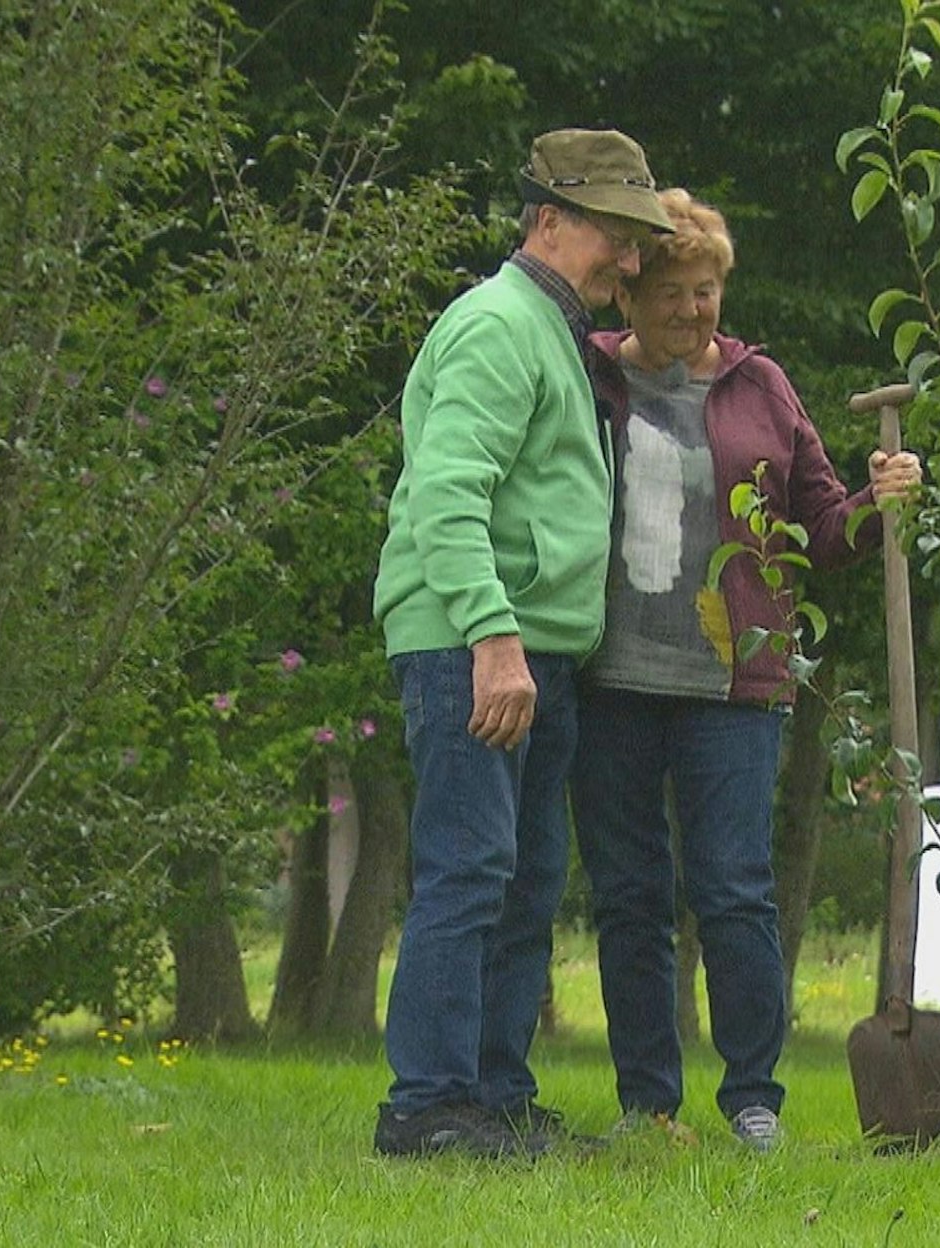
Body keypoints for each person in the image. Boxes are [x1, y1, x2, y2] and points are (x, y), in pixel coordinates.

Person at [573, 188, 922, 1151]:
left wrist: (877, 501)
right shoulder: (584, 375)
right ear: (628, 296)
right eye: (674, 292)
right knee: (630, 894)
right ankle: (647, 1104)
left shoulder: (759, 386)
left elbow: (819, 524)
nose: (694, 311)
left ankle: (752, 1100)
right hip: (606, 679)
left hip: (734, 684)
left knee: (732, 887)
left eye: (709, 291)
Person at [370, 129, 674, 1158]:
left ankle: (493, 1101)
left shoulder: (552, 333)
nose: (631, 264)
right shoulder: (499, 325)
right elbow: (448, 495)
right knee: (468, 872)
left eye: (638, 244)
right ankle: (425, 1108)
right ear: (549, 217)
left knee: (522, 878)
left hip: (527, 650)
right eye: (617, 238)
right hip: (473, 642)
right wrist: (492, 641)